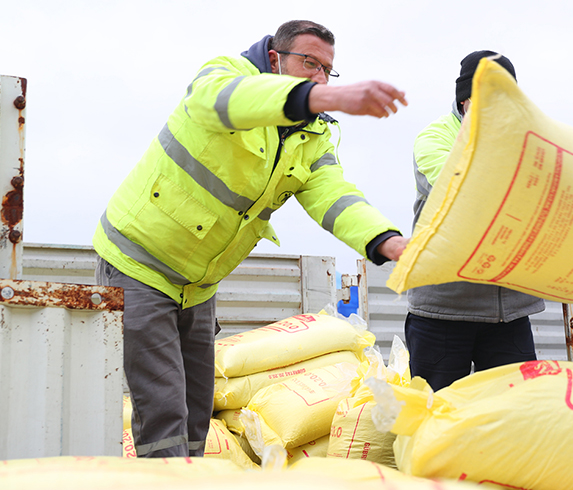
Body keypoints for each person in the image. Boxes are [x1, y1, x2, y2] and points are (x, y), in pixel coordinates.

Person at [93, 20, 409, 457]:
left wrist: (388, 241)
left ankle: (186, 480)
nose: (318, 76)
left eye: (327, 70)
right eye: (309, 63)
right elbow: (221, 102)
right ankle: (165, 485)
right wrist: (322, 96)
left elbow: (333, 195)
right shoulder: (224, 77)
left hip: (198, 284)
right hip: (139, 264)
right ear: (275, 59)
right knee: (164, 406)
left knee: (197, 406)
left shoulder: (312, 135)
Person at [404, 50, 573, 392]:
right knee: (432, 413)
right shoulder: (435, 138)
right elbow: (460, 186)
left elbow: (564, 179)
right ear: (464, 99)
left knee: (515, 416)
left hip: (508, 315)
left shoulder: (527, 138)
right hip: (443, 311)